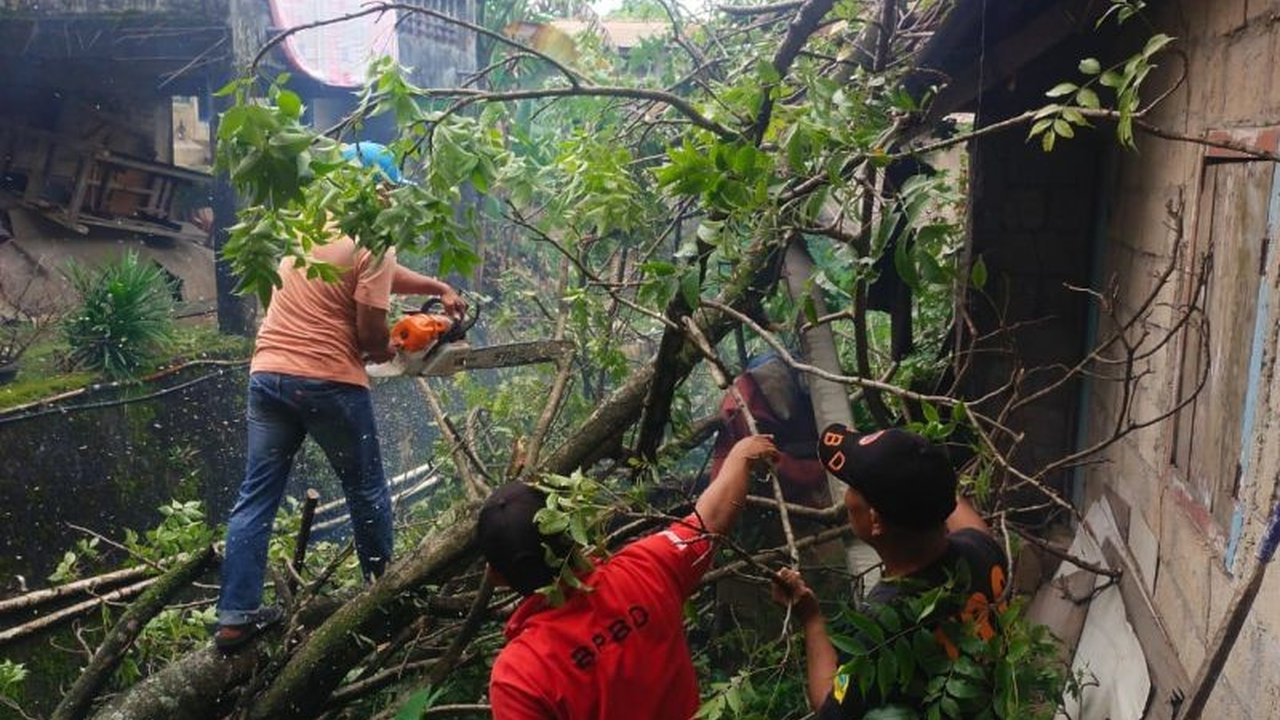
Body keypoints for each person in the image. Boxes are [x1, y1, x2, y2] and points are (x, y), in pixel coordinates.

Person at [213, 142, 466, 651]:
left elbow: (376, 278)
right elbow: (370, 320)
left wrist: (436, 286)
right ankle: (382, 591)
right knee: (366, 488)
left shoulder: (309, 225)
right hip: (325, 379)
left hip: (268, 374)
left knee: (256, 497)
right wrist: (383, 348)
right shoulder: (376, 231)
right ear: (378, 186)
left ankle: (234, 616)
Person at [478, 435, 780, 719]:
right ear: (574, 529)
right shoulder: (643, 569)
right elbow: (709, 521)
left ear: (497, 576)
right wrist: (740, 455)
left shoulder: (518, 677)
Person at [771, 423, 1008, 718]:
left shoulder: (878, 631)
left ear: (875, 520)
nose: (846, 496)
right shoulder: (981, 552)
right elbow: (958, 510)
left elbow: (831, 704)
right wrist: (913, 466)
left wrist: (810, 617)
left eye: (851, 486)